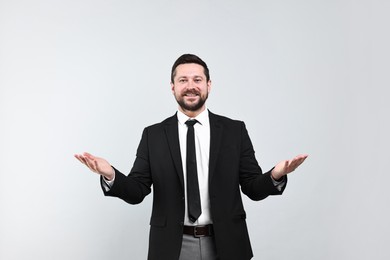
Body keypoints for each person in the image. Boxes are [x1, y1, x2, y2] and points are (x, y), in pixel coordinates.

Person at [75, 54, 308, 260]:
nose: (191, 86)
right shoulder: (153, 135)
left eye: (197, 80)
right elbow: (137, 191)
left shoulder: (234, 131)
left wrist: (276, 175)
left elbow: (252, 188)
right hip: (172, 247)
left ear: (209, 85)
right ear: (172, 86)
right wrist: (110, 174)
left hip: (227, 244)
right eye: (183, 80)